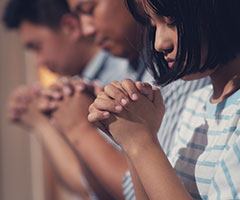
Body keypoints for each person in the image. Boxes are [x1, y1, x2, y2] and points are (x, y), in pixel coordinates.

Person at [88, 0, 240, 199]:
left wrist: (140, 142)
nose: (160, 43)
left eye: (173, 22)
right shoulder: (196, 103)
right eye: (153, 25)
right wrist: (133, 133)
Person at [3, 0, 133, 198]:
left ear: (70, 27)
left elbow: (109, 187)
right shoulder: (83, 84)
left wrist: (45, 125)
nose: (39, 61)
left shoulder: (121, 74)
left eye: (37, 47)